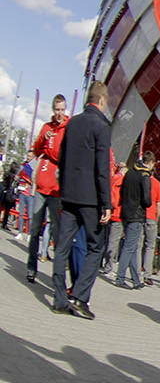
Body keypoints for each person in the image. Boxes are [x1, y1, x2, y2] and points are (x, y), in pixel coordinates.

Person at [49, 82, 112, 319]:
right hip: (91, 199)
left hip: (69, 195)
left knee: (62, 246)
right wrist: (106, 203)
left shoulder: (72, 122)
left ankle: (59, 299)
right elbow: (102, 169)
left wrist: (64, 189)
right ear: (102, 101)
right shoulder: (102, 126)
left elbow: (62, 160)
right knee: (96, 247)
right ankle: (80, 297)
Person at [26, 94, 68, 283]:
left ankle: (57, 274)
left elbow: (63, 154)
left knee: (58, 233)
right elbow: (36, 150)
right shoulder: (46, 127)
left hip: (57, 188)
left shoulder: (68, 128)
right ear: (53, 110)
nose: (59, 114)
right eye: (56, 110)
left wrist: (50, 151)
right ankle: (31, 267)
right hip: (42, 185)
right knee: (35, 229)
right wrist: (44, 139)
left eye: (62, 110)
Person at [114, 152, 153, 289]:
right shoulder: (145, 176)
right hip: (137, 214)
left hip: (126, 212)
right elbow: (147, 200)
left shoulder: (130, 173)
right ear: (150, 163)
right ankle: (120, 277)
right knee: (130, 247)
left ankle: (136, 280)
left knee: (133, 246)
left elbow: (122, 191)